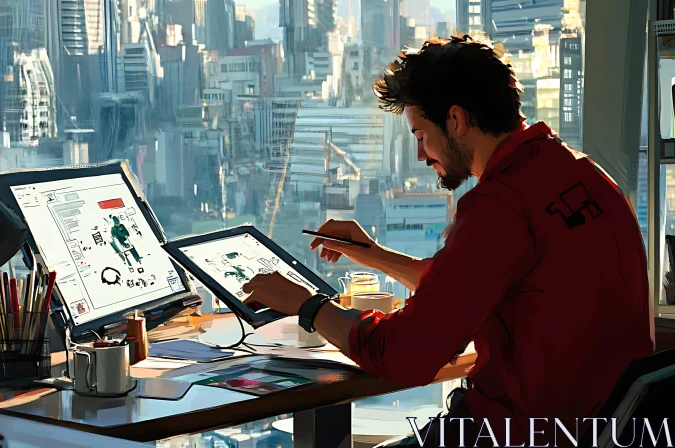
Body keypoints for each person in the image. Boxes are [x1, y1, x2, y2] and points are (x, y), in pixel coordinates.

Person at [242, 35, 653, 447]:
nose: (421, 156)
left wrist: (308, 305)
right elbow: (481, 286)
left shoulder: (501, 205)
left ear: (456, 120)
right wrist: (376, 256)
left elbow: (406, 354)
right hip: (603, 430)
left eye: (421, 135)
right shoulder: (581, 174)